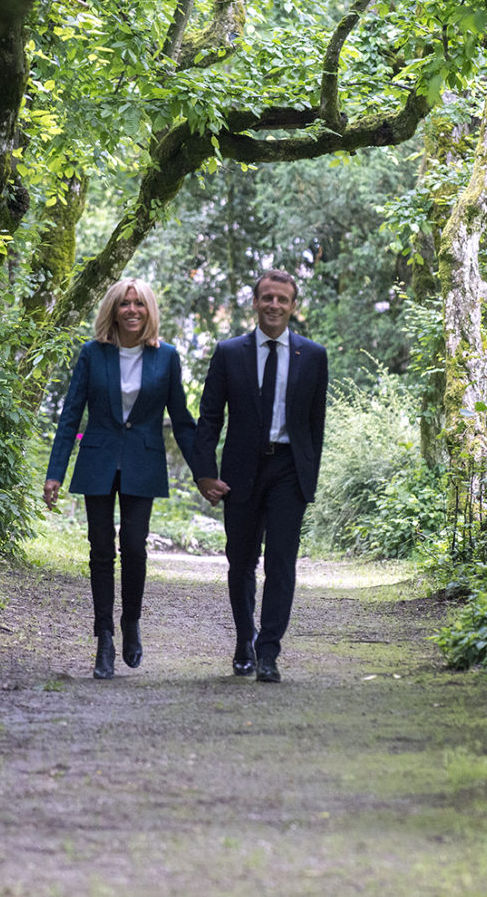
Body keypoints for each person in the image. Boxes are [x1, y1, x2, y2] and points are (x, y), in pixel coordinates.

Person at [44, 277, 199, 679]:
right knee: (100, 550)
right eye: (125, 304)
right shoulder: (92, 354)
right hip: (97, 460)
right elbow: (71, 415)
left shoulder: (166, 357)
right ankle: (104, 638)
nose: (132, 310)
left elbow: (181, 421)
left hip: (142, 463)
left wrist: (204, 474)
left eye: (140, 304)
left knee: (133, 547)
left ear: (149, 311)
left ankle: (131, 622)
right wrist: (54, 473)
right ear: (112, 310)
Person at [193, 269, 328, 683]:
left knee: (282, 562)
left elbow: (315, 425)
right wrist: (204, 474)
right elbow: (210, 418)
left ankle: (269, 651)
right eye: (266, 298)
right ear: (255, 302)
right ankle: (244, 640)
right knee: (241, 561)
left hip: (289, 470)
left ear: (293, 306)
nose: (274, 306)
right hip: (241, 471)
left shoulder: (314, 356)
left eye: (282, 300)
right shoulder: (230, 352)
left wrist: (309, 478)